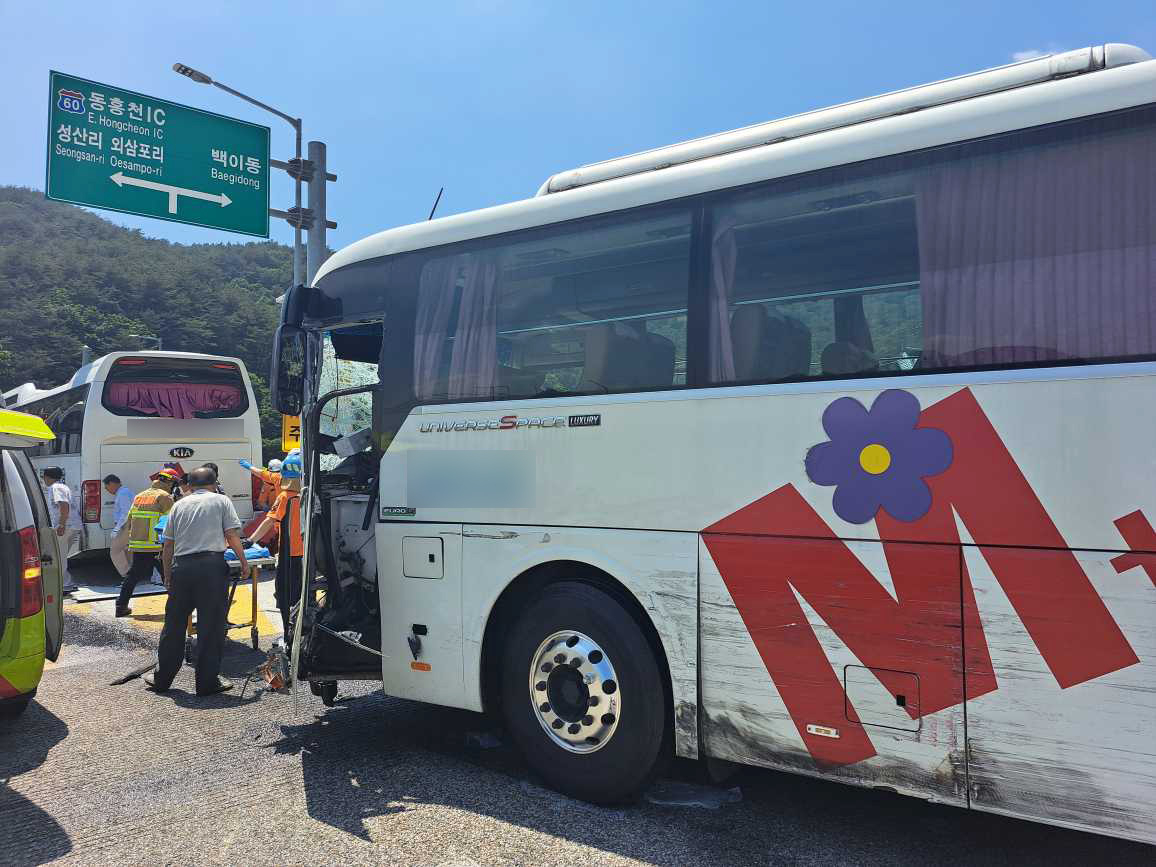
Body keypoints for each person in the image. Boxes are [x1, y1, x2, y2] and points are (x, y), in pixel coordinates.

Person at [146, 467, 248, 697]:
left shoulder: (179, 505)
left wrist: (168, 575)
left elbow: (168, 545)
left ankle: (162, 679)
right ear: (214, 483)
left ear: (189, 485)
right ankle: (206, 682)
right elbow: (231, 535)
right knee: (210, 626)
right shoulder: (221, 501)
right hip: (211, 567)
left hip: (182, 568)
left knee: (173, 625)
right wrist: (243, 562)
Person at [247, 449, 302, 644]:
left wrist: (251, 540)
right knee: (302, 595)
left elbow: (269, 521)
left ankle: (290, 636)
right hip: (307, 555)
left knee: (285, 594)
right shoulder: (309, 494)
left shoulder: (285, 496)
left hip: (290, 554)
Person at [116, 467, 178, 617]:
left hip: (139, 544)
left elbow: (129, 519)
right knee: (169, 576)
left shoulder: (139, 496)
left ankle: (121, 606)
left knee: (133, 576)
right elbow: (171, 522)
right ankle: (177, 609)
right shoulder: (164, 497)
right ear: (169, 482)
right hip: (157, 545)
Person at [40, 467, 81, 593]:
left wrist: (61, 525)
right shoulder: (63, 486)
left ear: (48, 477)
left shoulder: (55, 487)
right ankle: (68, 582)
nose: (43, 480)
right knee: (61, 556)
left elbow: (64, 505)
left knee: (58, 557)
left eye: (44, 478)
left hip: (66, 526)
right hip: (72, 526)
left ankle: (65, 585)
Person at [104, 474, 136, 578]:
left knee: (115, 551)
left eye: (106, 486)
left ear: (112, 484)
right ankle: (132, 575)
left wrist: (116, 529)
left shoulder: (123, 493)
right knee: (127, 551)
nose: (106, 489)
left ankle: (126, 574)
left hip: (125, 526)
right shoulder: (124, 492)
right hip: (128, 525)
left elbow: (126, 513)